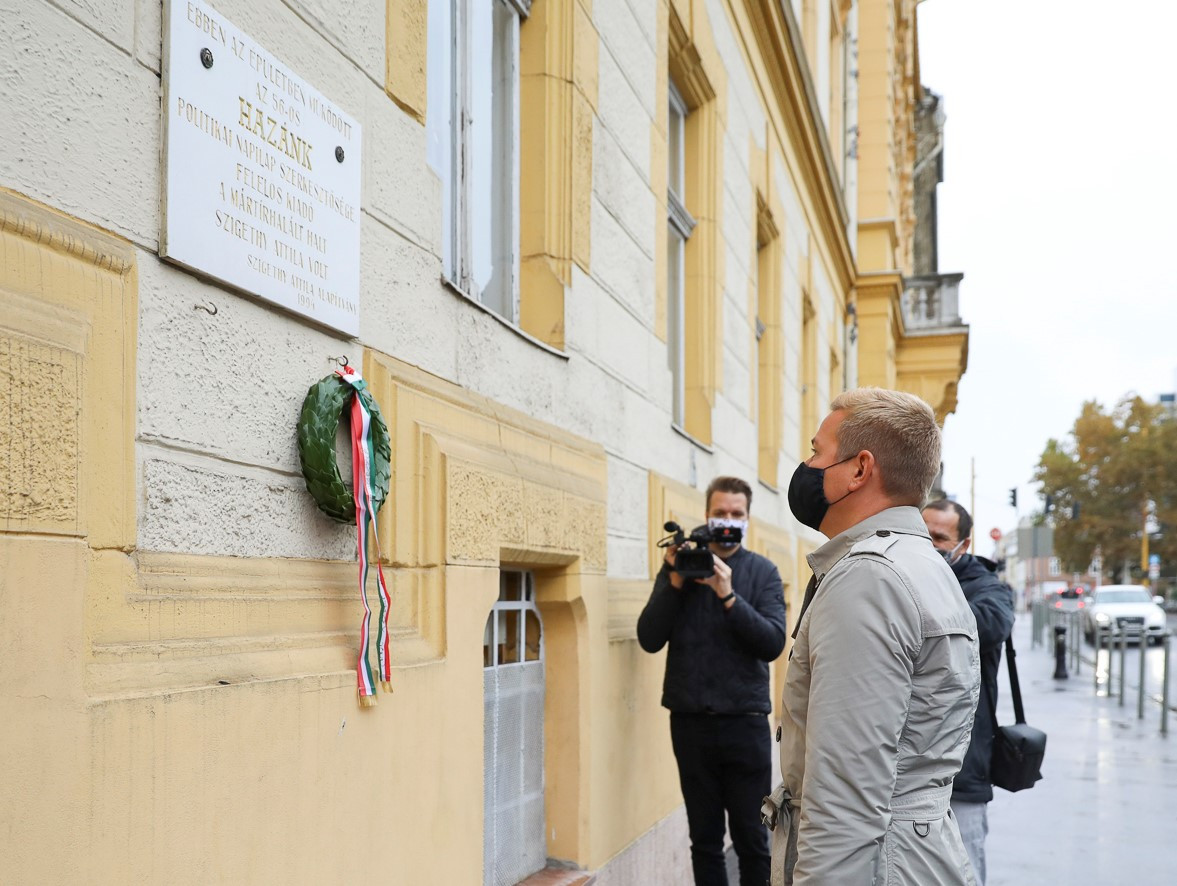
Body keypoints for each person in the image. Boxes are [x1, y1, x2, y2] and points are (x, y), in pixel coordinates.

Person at [767, 388, 980, 886]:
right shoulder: (919, 562)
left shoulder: (870, 578)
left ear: (859, 469)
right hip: (911, 854)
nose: (807, 466)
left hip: (881, 863)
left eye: (817, 452)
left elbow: (846, 797)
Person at [637, 476, 788, 886]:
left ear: (748, 518)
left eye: (736, 514)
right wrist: (673, 582)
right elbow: (649, 638)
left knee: (752, 840)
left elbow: (772, 643)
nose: (727, 520)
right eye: (720, 513)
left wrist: (728, 595)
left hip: (745, 723)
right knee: (704, 840)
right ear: (706, 515)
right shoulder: (681, 569)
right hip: (690, 723)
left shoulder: (763, 572)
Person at [921, 499, 1015, 885]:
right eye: (922, 533)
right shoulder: (902, 576)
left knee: (963, 869)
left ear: (964, 544)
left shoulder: (988, 588)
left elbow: (992, 623)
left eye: (939, 537)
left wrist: (919, 608)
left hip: (963, 767)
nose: (929, 544)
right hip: (907, 767)